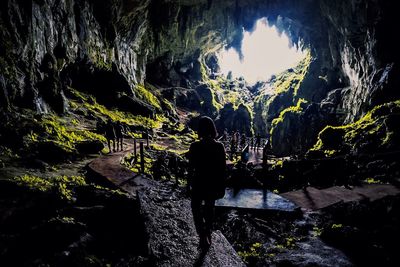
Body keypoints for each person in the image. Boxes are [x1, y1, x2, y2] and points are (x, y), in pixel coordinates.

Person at [188, 116, 227, 250]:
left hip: (198, 183)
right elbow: (223, 169)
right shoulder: (219, 146)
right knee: (210, 208)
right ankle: (208, 232)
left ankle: (202, 235)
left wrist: (188, 185)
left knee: (195, 208)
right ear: (212, 128)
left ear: (200, 130)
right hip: (213, 183)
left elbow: (191, 168)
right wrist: (223, 187)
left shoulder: (194, 146)